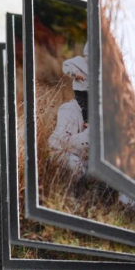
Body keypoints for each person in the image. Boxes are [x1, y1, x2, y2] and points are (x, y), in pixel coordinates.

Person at [48, 43, 90, 175]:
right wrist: (76, 73)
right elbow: (64, 142)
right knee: (76, 166)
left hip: (85, 158)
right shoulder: (69, 111)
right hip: (66, 156)